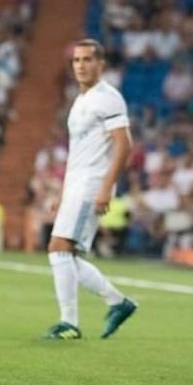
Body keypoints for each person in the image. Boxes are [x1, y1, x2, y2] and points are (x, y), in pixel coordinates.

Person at [46, 39, 137, 340]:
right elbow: (77, 153)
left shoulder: (108, 98)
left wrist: (107, 188)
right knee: (64, 253)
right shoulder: (80, 100)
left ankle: (70, 323)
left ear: (101, 64)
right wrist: (62, 192)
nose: (81, 66)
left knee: (59, 249)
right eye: (76, 60)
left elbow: (124, 144)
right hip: (77, 184)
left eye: (87, 60)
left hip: (92, 184)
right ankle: (117, 302)